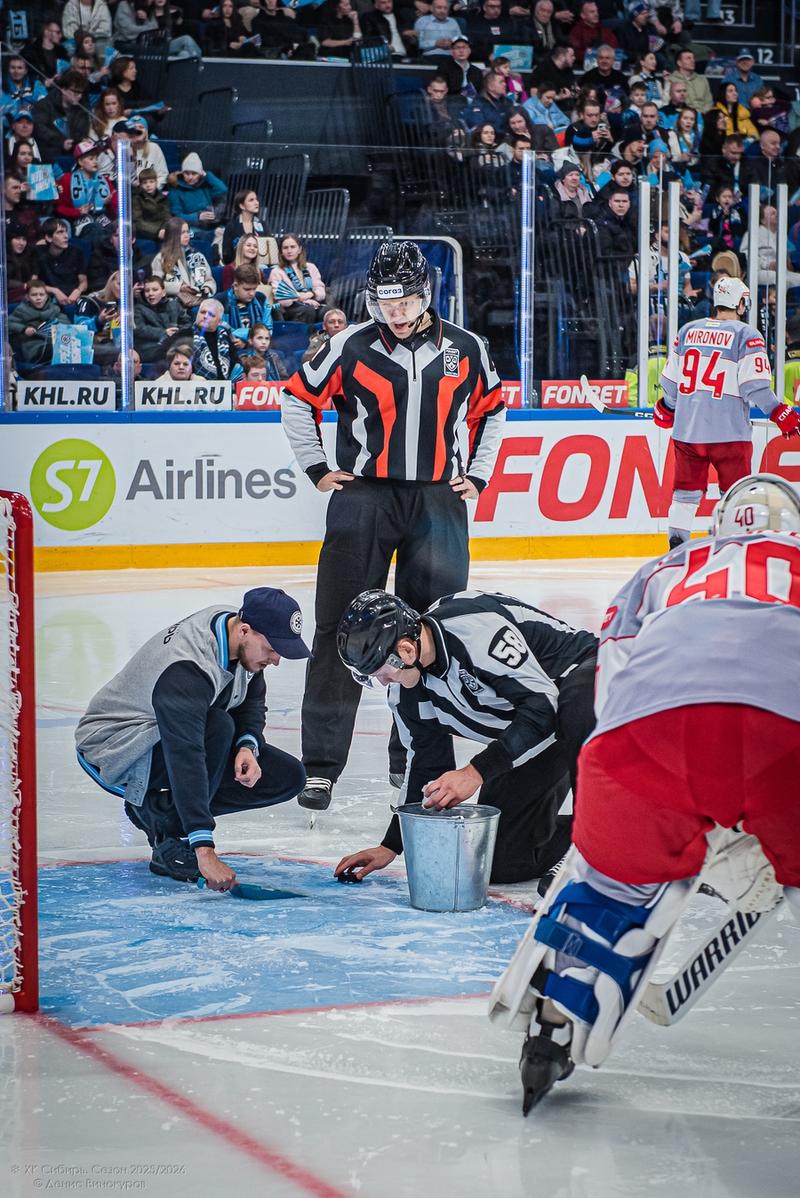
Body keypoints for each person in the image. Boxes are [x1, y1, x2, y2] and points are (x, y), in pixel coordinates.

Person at [489, 473, 800, 1113]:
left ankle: (558, 1011)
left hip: (647, 734)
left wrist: (636, 788)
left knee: (613, 885)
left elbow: (612, 677)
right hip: (786, 736)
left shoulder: (665, 568)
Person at [280, 240, 504, 814]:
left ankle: (414, 751)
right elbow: (296, 400)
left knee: (435, 634)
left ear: (425, 294)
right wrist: (317, 468)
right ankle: (321, 767)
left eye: (404, 299)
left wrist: (476, 476)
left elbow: (493, 410)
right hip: (364, 498)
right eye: (384, 300)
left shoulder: (466, 347)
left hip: (438, 501)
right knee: (337, 626)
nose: (395, 310)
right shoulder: (346, 345)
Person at [335, 589, 598, 886]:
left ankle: (592, 846)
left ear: (406, 651)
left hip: (586, 681)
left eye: (379, 672)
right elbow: (425, 762)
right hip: (531, 732)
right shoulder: (405, 692)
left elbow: (545, 707)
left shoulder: (475, 632)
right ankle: (606, 833)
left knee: (577, 704)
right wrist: (392, 844)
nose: (381, 682)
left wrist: (476, 772)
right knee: (498, 863)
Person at [75, 588, 308, 889]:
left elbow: (251, 698)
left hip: (171, 735)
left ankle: (162, 815)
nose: (276, 659)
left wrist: (247, 746)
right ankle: (171, 836)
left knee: (287, 776)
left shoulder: (238, 633)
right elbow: (186, 754)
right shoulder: (187, 667)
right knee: (218, 726)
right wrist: (203, 847)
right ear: (245, 630)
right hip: (116, 747)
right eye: (272, 648)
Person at [656, 276, 800, 550]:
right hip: (730, 436)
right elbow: (755, 388)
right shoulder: (746, 334)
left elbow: (671, 384)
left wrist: (668, 407)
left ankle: (677, 547)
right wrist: (780, 412)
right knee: (734, 495)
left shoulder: (687, 330)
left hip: (688, 434)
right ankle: (732, 547)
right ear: (741, 302)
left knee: (685, 494)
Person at [55, 141, 117, 240]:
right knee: (95, 228)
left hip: (102, 218)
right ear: (80, 162)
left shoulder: (105, 180)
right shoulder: (67, 179)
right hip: (80, 222)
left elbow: (115, 207)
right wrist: (77, 212)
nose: (95, 161)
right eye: (91, 159)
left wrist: (110, 202)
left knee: (116, 228)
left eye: (96, 158)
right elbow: (59, 207)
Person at [150, 217, 216, 303]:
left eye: (187, 232)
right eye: (182, 233)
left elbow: (209, 280)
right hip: (177, 302)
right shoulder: (161, 258)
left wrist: (207, 288)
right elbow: (156, 285)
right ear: (172, 235)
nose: (186, 235)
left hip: (200, 299)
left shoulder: (197, 255)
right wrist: (179, 287)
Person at [8, 276, 70, 364]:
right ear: (27, 297)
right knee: (57, 349)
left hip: (53, 341)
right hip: (34, 347)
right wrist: (24, 329)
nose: (38, 298)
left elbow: (67, 323)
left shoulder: (54, 309)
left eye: (41, 294)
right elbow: (9, 323)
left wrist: (57, 326)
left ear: (46, 296)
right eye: (34, 295)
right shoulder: (21, 310)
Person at [268, 234, 328, 324]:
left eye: (292, 247)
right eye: (285, 248)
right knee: (308, 310)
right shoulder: (276, 272)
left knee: (329, 311)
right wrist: (304, 299)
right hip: (290, 309)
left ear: (299, 249)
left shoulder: (311, 267)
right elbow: (283, 298)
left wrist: (311, 294)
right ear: (281, 252)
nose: (289, 251)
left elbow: (321, 292)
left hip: (313, 302)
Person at [134, 274, 193, 363]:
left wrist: (177, 332)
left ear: (163, 292)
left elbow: (187, 323)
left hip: (176, 343)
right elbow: (140, 329)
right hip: (151, 347)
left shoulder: (174, 304)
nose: (150, 293)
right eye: (147, 291)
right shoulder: (139, 309)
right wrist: (164, 332)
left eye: (155, 290)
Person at [34, 218, 88, 307]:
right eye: (60, 232)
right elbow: (32, 283)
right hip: (48, 298)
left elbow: (83, 282)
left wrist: (78, 291)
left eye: (66, 232)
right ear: (48, 237)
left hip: (73, 298)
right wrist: (54, 290)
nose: (66, 236)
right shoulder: (38, 253)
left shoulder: (77, 252)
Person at [167, 152, 227, 232]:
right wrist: (197, 216)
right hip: (190, 227)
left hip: (210, 225)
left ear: (200, 174)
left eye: (194, 173)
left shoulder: (204, 185)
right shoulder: (175, 190)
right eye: (186, 173)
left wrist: (207, 175)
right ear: (182, 173)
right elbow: (176, 216)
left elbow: (223, 189)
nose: (190, 177)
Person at [222, 263, 274, 346]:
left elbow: (268, 329)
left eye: (254, 289)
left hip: (257, 348)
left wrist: (247, 343)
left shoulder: (261, 299)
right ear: (235, 286)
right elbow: (222, 331)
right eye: (247, 289)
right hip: (229, 349)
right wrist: (252, 334)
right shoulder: (221, 301)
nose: (252, 293)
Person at [192, 299, 238, 380]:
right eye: (202, 312)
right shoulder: (184, 334)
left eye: (211, 315)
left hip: (224, 387)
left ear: (219, 322)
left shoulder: (225, 337)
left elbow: (235, 363)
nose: (205, 316)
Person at [221, 189, 269, 266]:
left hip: (260, 266)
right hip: (238, 267)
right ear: (242, 206)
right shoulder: (232, 226)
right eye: (251, 200)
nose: (256, 202)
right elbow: (227, 255)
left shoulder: (262, 224)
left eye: (256, 199)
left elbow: (268, 250)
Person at [666, 49, 713, 115]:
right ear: (679, 63)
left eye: (693, 58)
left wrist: (702, 113)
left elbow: (709, 102)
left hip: (703, 116)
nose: (692, 60)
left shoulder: (702, 80)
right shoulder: (671, 79)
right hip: (682, 116)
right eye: (688, 58)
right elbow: (668, 102)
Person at [132, 167, 171, 241]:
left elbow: (167, 216)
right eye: (144, 183)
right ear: (140, 184)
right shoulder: (136, 198)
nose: (148, 185)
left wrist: (163, 229)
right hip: (145, 232)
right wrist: (157, 231)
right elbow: (138, 222)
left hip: (163, 231)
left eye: (151, 181)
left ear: (156, 182)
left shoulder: (163, 197)